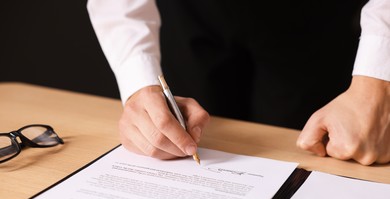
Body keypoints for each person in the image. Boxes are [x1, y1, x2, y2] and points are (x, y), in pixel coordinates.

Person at [87, 0, 390, 165]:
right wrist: (140, 83)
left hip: (308, 20)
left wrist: (377, 82)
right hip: (193, 14)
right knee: (182, 130)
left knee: (313, 152)